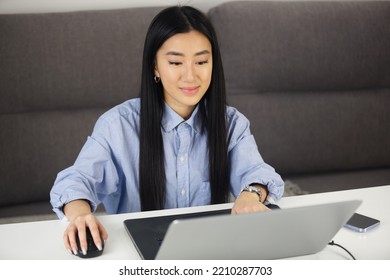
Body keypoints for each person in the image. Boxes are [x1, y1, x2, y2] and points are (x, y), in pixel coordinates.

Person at [50, 5, 284, 256]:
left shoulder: (232, 123)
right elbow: (77, 180)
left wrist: (251, 194)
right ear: (155, 67)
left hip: (213, 252)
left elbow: (257, 172)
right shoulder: (118, 125)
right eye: (175, 62)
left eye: (202, 61)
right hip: (137, 258)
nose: (190, 76)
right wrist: (80, 214)